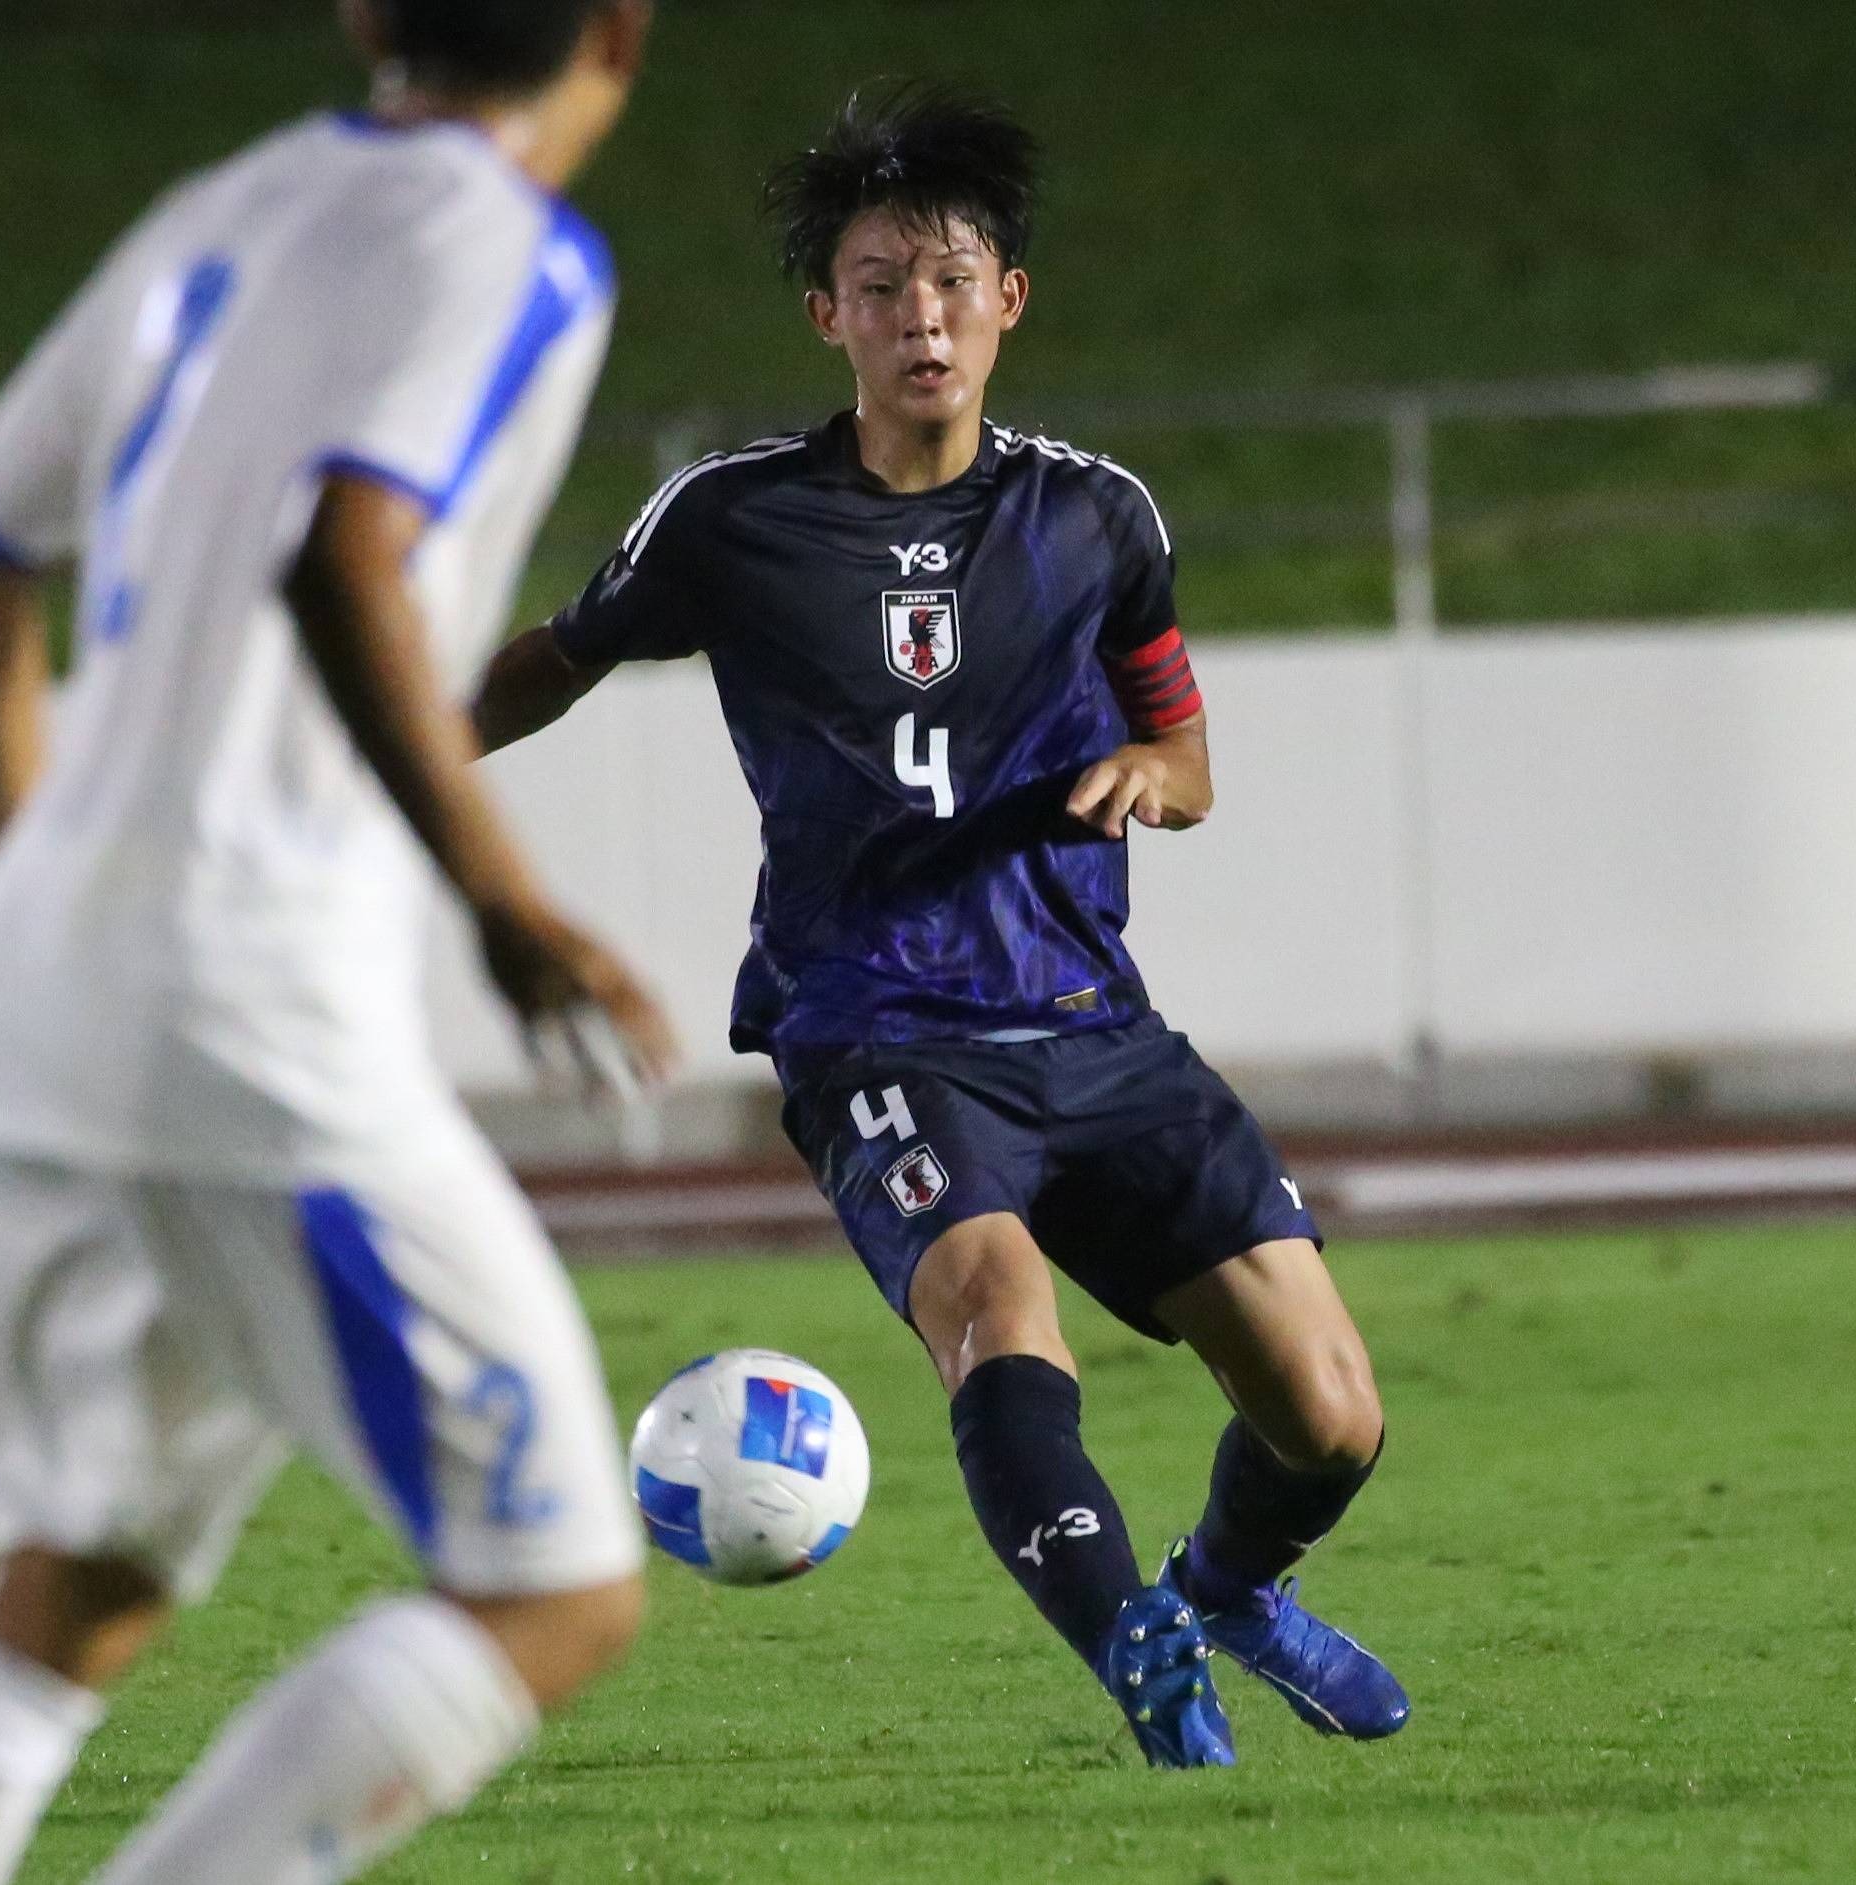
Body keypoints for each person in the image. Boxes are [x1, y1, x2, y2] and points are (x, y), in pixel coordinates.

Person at [0, 3, 675, 1879]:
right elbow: (344, 547)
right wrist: (506, 905)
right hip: (254, 1009)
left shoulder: (218, 207)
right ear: (618, 32)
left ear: (366, 15)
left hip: (57, 977)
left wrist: (60, 885)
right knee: (557, 1590)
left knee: (76, 1587)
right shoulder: (510, 247)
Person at [472, 84, 1406, 1769]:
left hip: (1091, 1019)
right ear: (825, 313)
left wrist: (1150, 772)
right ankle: (1126, 1636)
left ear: (1009, 304)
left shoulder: (1095, 518)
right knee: (992, 1304)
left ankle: (1224, 1589)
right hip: (875, 1025)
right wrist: (371, 752)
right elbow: (556, 658)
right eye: (885, 284)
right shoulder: (730, 518)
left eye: (954, 280)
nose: (923, 316)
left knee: (1332, 1418)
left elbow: (1188, 756)